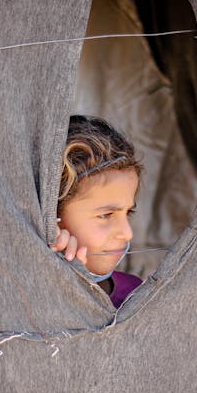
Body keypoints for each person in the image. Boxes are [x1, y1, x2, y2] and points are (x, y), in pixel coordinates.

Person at [50, 115, 143, 308]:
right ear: (52, 216)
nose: (127, 234)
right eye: (106, 215)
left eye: (128, 213)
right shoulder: (24, 297)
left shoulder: (135, 295)